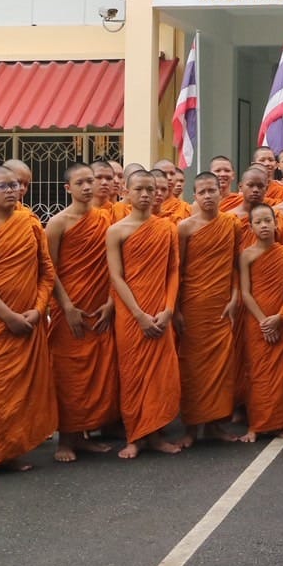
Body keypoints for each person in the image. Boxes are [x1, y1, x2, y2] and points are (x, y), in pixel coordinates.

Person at [0, 166, 58, 480]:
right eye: (3, 186)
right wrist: (8, 316)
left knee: (20, 390)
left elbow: (46, 272)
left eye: (15, 185)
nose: (11, 191)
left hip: (28, 319)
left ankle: (12, 451)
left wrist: (38, 309)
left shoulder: (30, 224)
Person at [45, 164, 121, 463]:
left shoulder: (106, 219)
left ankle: (84, 435)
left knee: (96, 372)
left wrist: (112, 301)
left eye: (91, 181)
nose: (88, 187)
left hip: (100, 305)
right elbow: (49, 269)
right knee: (69, 373)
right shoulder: (57, 224)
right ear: (68, 188)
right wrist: (66, 307)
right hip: (69, 308)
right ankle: (65, 438)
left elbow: (116, 265)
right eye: (81, 183)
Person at [106, 171, 184, 459]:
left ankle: (156, 435)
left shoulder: (167, 228)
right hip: (131, 314)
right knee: (133, 373)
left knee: (160, 376)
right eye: (139, 189)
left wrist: (169, 309)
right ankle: (135, 436)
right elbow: (116, 276)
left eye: (150, 189)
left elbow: (173, 271)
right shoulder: (116, 231)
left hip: (161, 310)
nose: (146, 194)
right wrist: (138, 314)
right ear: (126, 191)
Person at [176, 172, 243, 446]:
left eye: (211, 190)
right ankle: (191, 428)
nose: (207, 196)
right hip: (193, 306)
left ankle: (216, 425)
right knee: (192, 367)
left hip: (221, 305)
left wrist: (236, 296)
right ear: (194, 195)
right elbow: (177, 270)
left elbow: (236, 264)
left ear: (220, 192)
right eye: (202, 192)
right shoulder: (185, 228)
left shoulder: (232, 223)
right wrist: (176, 308)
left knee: (221, 367)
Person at [239, 202, 283, 441]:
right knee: (258, 374)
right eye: (258, 222)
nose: (264, 225)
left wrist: (279, 317)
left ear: (276, 224)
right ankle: (256, 425)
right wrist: (264, 321)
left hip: (280, 320)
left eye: (268, 221)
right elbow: (245, 292)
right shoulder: (246, 255)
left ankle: (279, 423)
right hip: (256, 321)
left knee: (280, 375)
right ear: (251, 227)